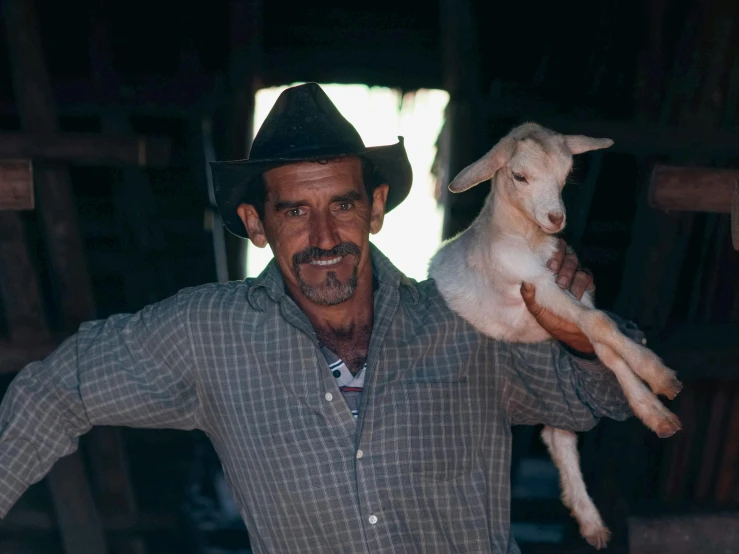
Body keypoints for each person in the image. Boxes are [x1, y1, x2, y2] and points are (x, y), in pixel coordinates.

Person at [0, 83, 636, 553]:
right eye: (295, 212)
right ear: (256, 224)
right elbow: (59, 388)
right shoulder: (209, 335)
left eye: (342, 203)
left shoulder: (467, 316)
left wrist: (583, 334)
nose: (325, 235)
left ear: (376, 207)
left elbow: (597, 398)